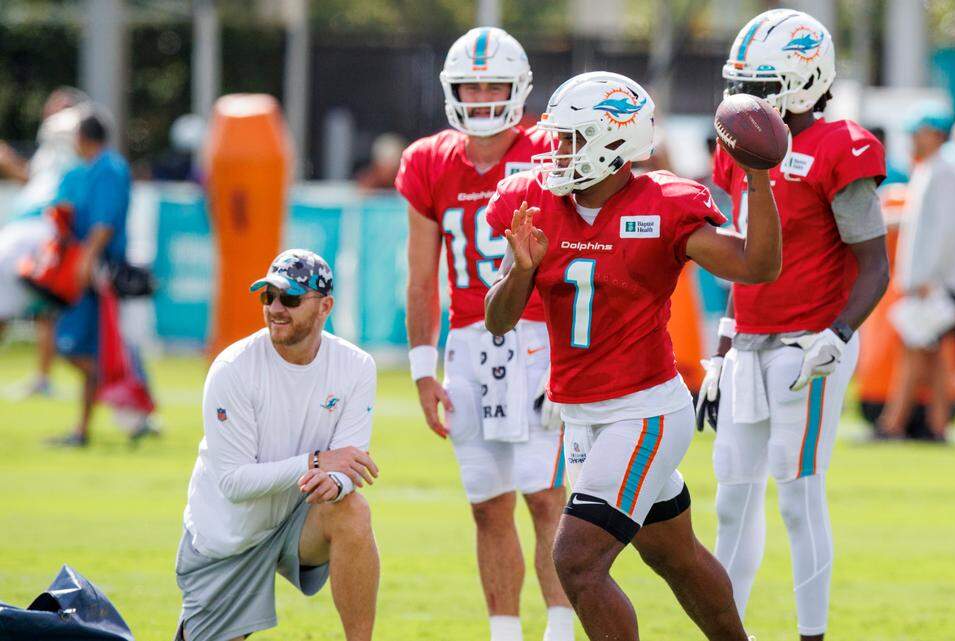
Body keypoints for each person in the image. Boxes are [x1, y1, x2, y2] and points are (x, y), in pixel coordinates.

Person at [485, 70, 782, 641]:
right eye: (559, 138)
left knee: (575, 560)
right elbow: (499, 320)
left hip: (644, 411)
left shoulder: (665, 203)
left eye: (573, 139)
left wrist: (760, 181)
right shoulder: (533, 201)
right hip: (580, 414)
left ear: (615, 141)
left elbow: (757, 266)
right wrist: (521, 272)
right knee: (675, 555)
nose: (558, 152)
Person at [697, 9, 890, 640]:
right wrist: (720, 353)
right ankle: (729, 632)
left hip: (810, 341)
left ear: (805, 80)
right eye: (741, 85)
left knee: (797, 495)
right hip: (748, 343)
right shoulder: (739, 149)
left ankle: (812, 636)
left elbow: (875, 267)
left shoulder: (842, 146)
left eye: (760, 85)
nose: (745, 100)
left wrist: (839, 335)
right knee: (732, 500)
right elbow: (744, 263)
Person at [395, 27, 573, 641]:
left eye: (493, 82)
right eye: (470, 84)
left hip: (541, 338)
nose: (480, 94)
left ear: (518, 86)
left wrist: (573, 359)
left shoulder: (552, 149)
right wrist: (423, 368)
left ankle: (557, 631)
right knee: (486, 504)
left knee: (547, 497)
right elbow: (422, 277)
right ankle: (504, 635)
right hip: (469, 345)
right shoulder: (427, 161)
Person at [175, 249, 380, 641]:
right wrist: (316, 462)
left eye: (290, 298)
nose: (275, 308)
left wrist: (336, 482)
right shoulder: (233, 369)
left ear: (325, 307)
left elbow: (348, 462)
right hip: (228, 537)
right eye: (268, 296)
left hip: (295, 521)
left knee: (352, 510)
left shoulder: (356, 366)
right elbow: (233, 482)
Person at [50, 110, 154, 446]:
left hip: (97, 270)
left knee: (88, 346)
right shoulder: (97, 168)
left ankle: (123, 403)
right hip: (93, 265)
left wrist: (87, 260)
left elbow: (104, 222)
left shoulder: (107, 169)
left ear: (81, 138)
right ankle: (100, 421)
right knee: (105, 346)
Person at [878, 103, 955, 440]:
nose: (912, 140)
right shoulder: (932, 169)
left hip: (931, 281)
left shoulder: (943, 171)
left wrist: (930, 276)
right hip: (926, 279)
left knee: (917, 350)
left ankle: (895, 423)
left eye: (917, 133)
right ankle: (935, 423)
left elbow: (946, 228)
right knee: (931, 353)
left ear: (934, 134)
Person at [0, 86, 89, 397]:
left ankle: (48, 377)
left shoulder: (72, 144)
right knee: (42, 310)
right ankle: (44, 377)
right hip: (30, 229)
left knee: (39, 309)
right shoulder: (49, 148)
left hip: (39, 231)